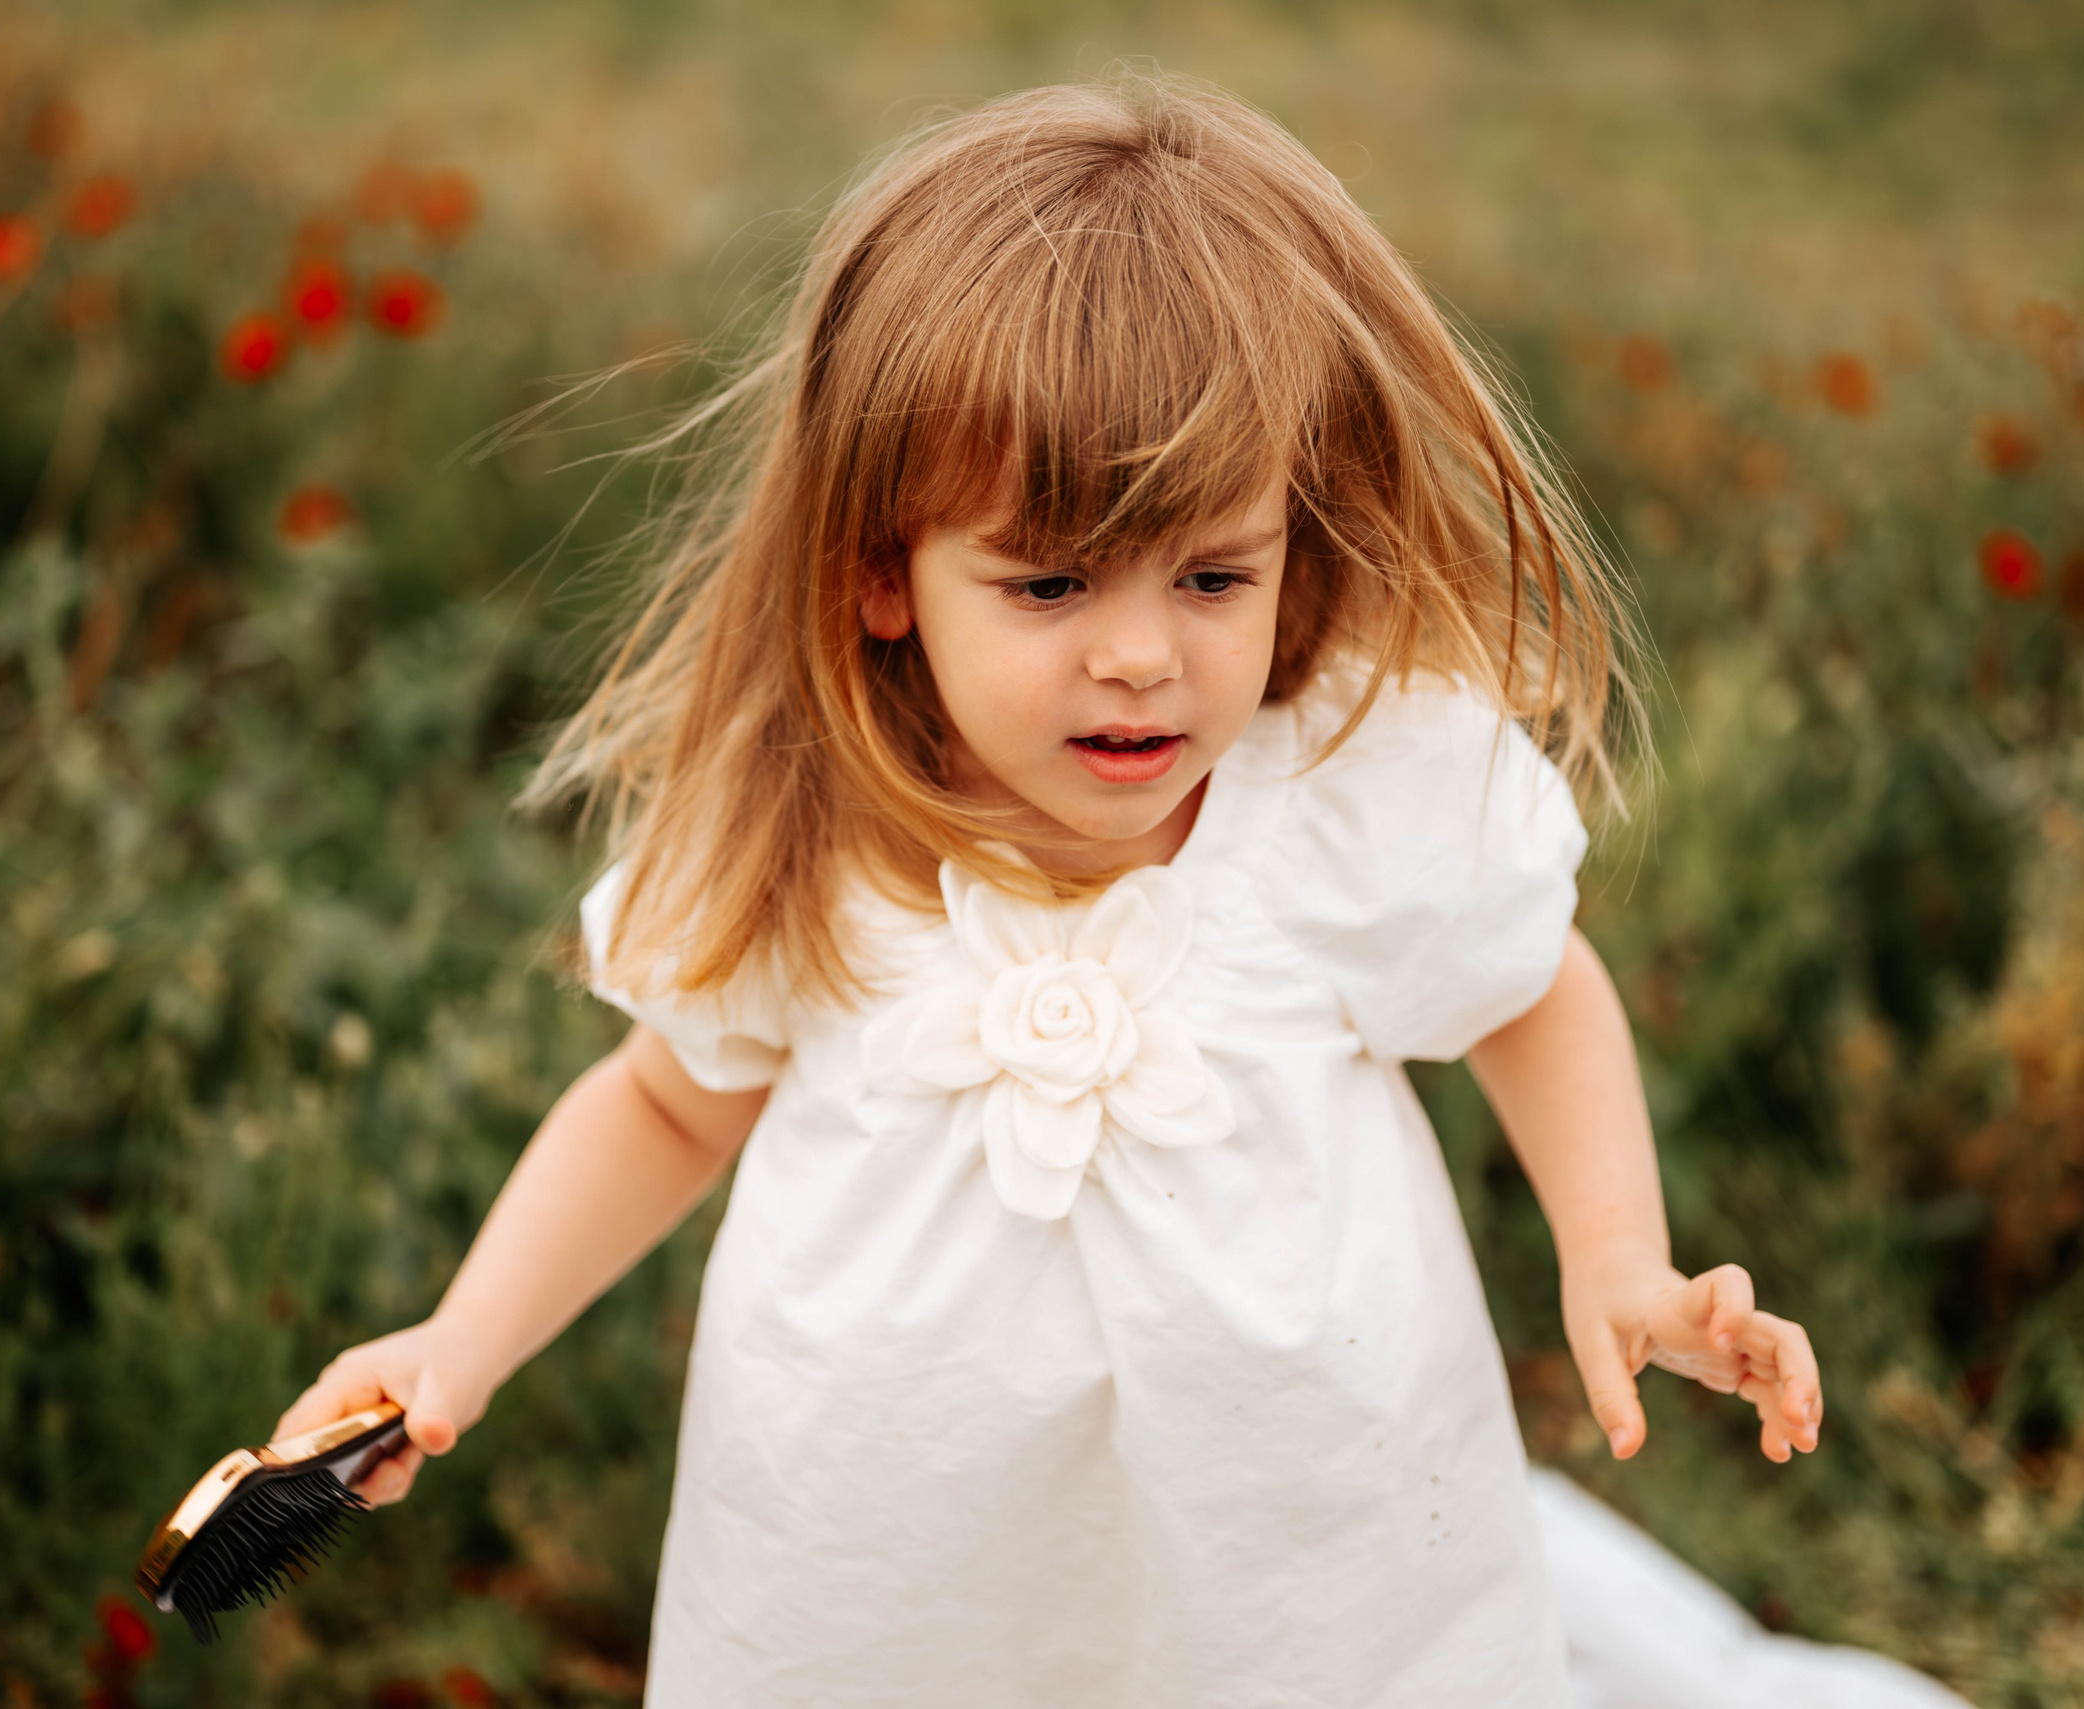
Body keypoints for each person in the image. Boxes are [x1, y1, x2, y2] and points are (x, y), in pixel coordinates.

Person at [274, 74, 1868, 1709]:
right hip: (886, 1567)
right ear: (880, 571)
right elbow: (667, 1110)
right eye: (1047, 581)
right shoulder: (813, 825)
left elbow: (1534, 989)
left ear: (1292, 556)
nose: (1137, 655)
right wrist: (457, 1343)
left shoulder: (1337, 800)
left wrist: (1616, 1255)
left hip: (1305, 1549)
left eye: (1211, 576)